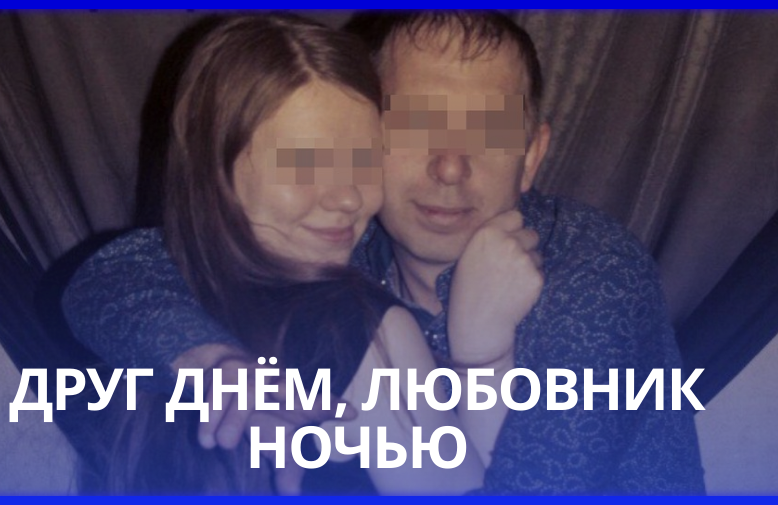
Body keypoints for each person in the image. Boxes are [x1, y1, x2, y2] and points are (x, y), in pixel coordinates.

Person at [63, 11, 705, 494]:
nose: (450, 165)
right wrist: (210, 360)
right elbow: (117, 272)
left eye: (487, 130)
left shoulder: (591, 274)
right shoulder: (348, 239)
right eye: (416, 124)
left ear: (531, 156)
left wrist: (479, 350)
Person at [66, 13, 508, 495]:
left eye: (365, 158)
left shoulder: (169, 299)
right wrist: (487, 355)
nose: (347, 198)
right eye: (305, 162)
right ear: (214, 167)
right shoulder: (354, 327)